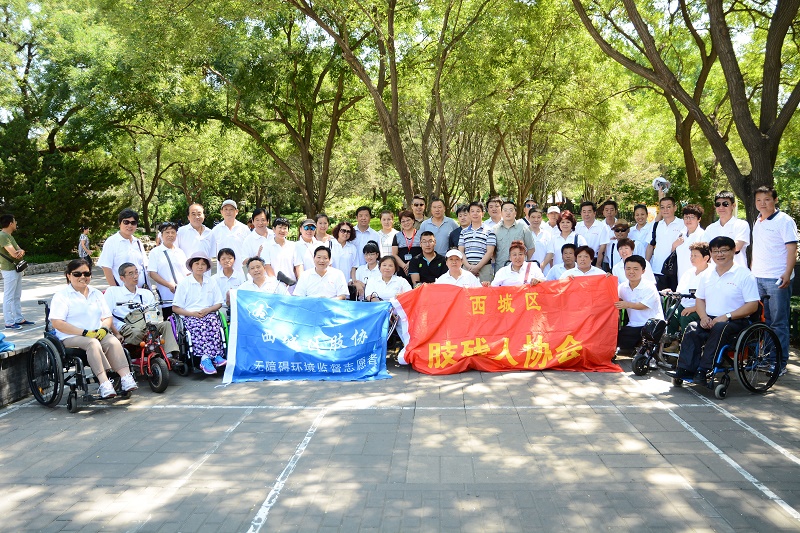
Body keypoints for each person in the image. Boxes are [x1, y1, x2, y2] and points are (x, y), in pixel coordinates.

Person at [668, 237, 760, 385]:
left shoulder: (744, 275)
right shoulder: (707, 274)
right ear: (710, 253)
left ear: (733, 251)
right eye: (716, 251)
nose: (719, 254)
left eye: (724, 250)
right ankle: (685, 369)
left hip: (736, 320)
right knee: (692, 327)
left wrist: (727, 316)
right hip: (710, 318)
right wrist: (703, 317)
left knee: (719, 328)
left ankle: (703, 369)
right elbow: (700, 299)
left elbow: (752, 305)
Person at [49, 259, 137, 398]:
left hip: (96, 333)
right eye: (77, 274)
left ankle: (126, 378)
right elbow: (57, 323)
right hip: (71, 336)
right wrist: (84, 332)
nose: (82, 277)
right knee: (93, 343)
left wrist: (104, 329)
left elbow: (107, 316)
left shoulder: (96, 293)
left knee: (113, 341)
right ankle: (104, 383)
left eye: (86, 273)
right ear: (69, 275)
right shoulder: (62, 296)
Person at [751, 186, 797, 376]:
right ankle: (767, 358)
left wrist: (787, 273)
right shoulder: (758, 220)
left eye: (767, 199)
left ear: (775, 200)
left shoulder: (784, 220)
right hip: (758, 277)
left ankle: (779, 363)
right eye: (759, 200)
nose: (762, 203)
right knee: (764, 322)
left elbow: (792, 249)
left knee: (778, 323)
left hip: (777, 279)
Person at [104, 262, 179, 357]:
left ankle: (170, 355)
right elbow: (106, 315)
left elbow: (153, 316)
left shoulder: (146, 293)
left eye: (136, 272)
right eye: (131, 273)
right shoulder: (113, 292)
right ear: (122, 278)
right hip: (126, 327)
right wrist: (116, 333)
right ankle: (151, 352)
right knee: (137, 333)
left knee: (166, 324)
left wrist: (152, 324)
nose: (135, 276)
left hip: (145, 325)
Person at [171, 252, 226, 375]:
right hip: (190, 315)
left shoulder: (211, 282)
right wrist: (192, 314)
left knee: (213, 322)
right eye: (197, 263)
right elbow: (175, 308)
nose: (200, 266)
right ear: (191, 266)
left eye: (203, 264)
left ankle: (216, 356)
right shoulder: (184, 283)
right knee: (199, 325)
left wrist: (208, 310)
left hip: (208, 313)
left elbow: (219, 303)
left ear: (207, 267)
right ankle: (205, 359)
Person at [663, 241, 711, 348]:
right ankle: (673, 342)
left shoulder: (712, 273)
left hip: (703, 307)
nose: (692, 258)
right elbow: (680, 292)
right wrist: (671, 292)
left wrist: (694, 308)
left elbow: (712, 298)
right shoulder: (689, 272)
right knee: (671, 312)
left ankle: (687, 347)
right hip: (684, 304)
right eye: (691, 255)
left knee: (685, 317)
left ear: (706, 257)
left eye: (695, 256)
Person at [614, 255, 664, 351]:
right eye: (628, 268)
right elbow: (614, 299)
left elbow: (643, 305)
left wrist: (627, 304)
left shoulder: (649, 287)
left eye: (635, 269)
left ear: (643, 271)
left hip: (651, 325)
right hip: (633, 325)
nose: (631, 272)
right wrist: (607, 279)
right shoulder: (622, 287)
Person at [147, 221, 189, 319]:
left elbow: (187, 272)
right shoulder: (155, 252)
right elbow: (152, 273)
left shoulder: (180, 252)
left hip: (183, 295)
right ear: (161, 235)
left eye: (173, 232)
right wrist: (168, 284)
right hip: (167, 296)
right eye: (167, 232)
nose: (170, 235)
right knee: (171, 323)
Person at [99, 208, 148, 288]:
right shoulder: (112, 242)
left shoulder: (138, 242)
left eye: (133, 223)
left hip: (141, 290)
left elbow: (144, 267)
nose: (130, 225)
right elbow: (106, 267)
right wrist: (115, 289)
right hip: (122, 290)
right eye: (126, 222)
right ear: (119, 224)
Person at [646, 196, 685, 289]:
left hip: (675, 270)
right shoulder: (656, 225)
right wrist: (646, 265)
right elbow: (650, 246)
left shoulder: (683, 224)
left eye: (668, 207)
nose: (665, 210)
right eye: (662, 207)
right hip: (657, 269)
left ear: (675, 208)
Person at [703, 191, 750, 268]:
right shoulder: (710, 228)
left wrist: (714, 249)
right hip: (716, 272)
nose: (721, 207)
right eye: (718, 204)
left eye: (725, 204)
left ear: (733, 205)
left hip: (737, 271)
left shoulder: (741, 224)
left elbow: (737, 247)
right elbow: (705, 250)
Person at [1, 214, 31, 329]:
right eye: (15, 221)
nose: (16, 223)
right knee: (9, 296)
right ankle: (9, 322)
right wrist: (19, 252)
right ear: (10, 223)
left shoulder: (9, 236)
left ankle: (19, 319)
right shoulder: (3, 236)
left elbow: (20, 251)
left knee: (17, 295)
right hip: (9, 269)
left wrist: (20, 251)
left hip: (15, 268)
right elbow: (14, 254)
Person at [458, 201, 496, 283]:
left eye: (478, 211)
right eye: (472, 211)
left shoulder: (490, 231)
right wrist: (468, 267)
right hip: (467, 268)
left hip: (484, 268)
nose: (475, 213)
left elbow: (490, 252)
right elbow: (461, 251)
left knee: (485, 290)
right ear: (469, 214)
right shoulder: (463, 232)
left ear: (483, 213)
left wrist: (477, 267)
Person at [493, 201, 534, 271]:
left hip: (519, 270)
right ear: (501, 213)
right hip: (501, 268)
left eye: (511, 210)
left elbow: (531, 248)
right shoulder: (495, 229)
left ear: (515, 213)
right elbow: (492, 251)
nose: (508, 213)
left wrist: (523, 260)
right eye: (505, 210)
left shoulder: (523, 227)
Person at [211, 200, 250, 270]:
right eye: (226, 209)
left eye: (231, 209)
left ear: (236, 212)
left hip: (241, 270)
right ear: (221, 212)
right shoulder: (215, 231)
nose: (228, 212)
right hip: (222, 271)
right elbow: (212, 253)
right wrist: (213, 271)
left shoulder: (244, 229)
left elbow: (249, 250)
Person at [265, 217, 303, 284]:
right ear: (274, 229)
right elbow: (267, 266)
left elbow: (298, 265)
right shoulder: (266, 246)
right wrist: (275, 282)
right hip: (273, 285)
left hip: (291, 284)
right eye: (280, 227)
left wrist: (301, 282)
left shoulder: (293, 246)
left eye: (285, 228)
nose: (282, 230)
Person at [673, 204, 705, 280]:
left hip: (697, 277)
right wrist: (674, 246)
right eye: (686, 217)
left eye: (692, 217)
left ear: (699, 219)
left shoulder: (703, 235)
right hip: (681, 276)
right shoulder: (680, 234)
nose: (688, 220)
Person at [576, 201, 610, 268]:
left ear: (594, 213)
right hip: (579, 260)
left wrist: (598, 264)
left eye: (589, 211)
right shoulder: (577, 226)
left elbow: (602, 247)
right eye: (584, 212)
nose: (586, 214)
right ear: (581, 213)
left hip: (594, 259)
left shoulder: (602, 227)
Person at [392, 210, 422, 278]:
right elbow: (394, 254)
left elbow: (424, 251)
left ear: (413, 220)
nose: (406, 223)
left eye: (408, 220)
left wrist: (411, 263)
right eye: (403, 221)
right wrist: (404, 266)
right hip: (402, 269)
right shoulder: (397, 236)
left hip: (418, 266)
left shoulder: (420, 235)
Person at [527, 208, 551, 273]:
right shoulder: (524, 233)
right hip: (528, 269)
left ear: (541, 218)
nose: (536, 220)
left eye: (538, 217)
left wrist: (542, 265)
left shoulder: (546, 234)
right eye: (533, 217)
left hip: (544, 270)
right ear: (528, 218)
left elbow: (550, 252)